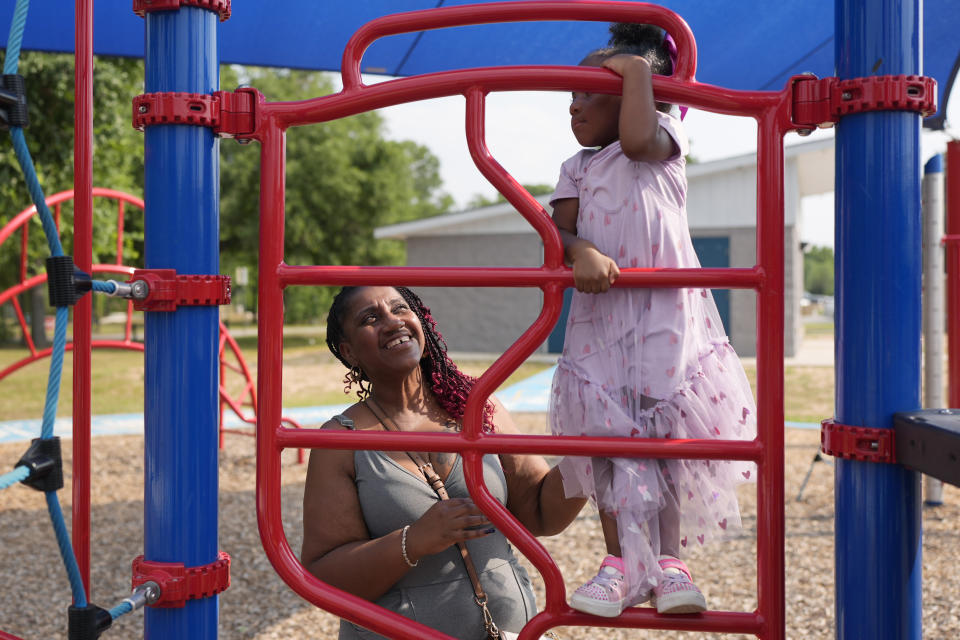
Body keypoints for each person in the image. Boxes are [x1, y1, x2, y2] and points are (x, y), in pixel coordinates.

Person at [548, 23, 757, 618]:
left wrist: (636, 69)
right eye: (570, 95)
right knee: (610, 439)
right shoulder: (578, 166)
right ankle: (617, 564)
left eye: (590, 91)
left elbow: (636, 141)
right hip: (602, 316)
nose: (574, 105)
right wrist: (580, 249)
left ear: (637, 93)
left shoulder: (663, 136)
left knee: (660, 434)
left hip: (665, 311)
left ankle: (668, 562)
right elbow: (558, 232)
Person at [301, 285, 586, 639]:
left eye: (400, 308)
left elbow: (541, 512)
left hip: (512, 630)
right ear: (349, 351)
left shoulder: (480, 406)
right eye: (370, 319)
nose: (393, 323)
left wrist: (590, 457)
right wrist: (414, 540)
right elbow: (323, 573)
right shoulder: (339, 441)